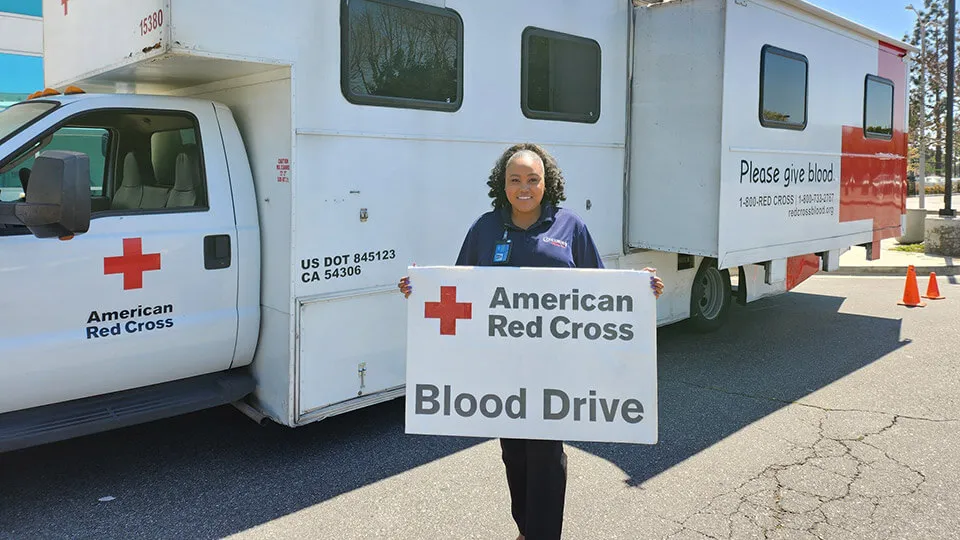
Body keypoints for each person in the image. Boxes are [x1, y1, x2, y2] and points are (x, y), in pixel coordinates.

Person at [398, 143, 663, 540]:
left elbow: (601, 289)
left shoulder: (570, 226)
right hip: (501, 367)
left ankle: (542, 534)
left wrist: (640, 289)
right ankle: (526, 527)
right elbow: (459, 285)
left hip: (555, 366)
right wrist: (419, 289)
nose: (524, 187)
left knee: (545, 452)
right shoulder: (484, 228)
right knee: (514, 453)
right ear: (501, 184)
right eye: (515, 179)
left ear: (547, 183)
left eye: (533, 179)